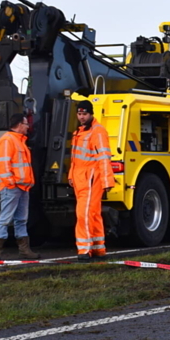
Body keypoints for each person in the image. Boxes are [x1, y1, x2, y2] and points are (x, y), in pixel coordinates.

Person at [69, 101, 115, 261]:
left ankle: (84, 249)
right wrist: (71, 175)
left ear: (91, 114)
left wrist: (107, 180)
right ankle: (97, 248)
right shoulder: (81, 131)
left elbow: (104, 157)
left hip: (90, 178)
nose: (81, 117)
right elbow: (76, 158)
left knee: (84, 214)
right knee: (92, 213)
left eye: (84, 114)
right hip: (82, 178)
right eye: (79, 114)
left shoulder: (97, 132)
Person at [0, 113, 40, 260]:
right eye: (26, 124)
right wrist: (10, 183)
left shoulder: (18, 140)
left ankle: (24, 251)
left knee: (21, 219)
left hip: (22, 187)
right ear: (19, 125)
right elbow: (2, 164)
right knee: (6, 219)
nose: (27, 127)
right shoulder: (7, 140)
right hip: (13, 187)